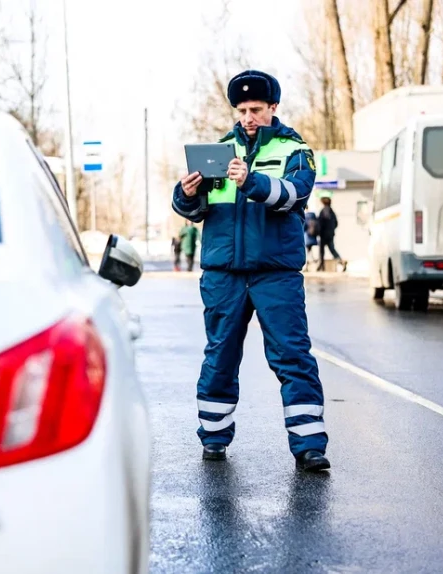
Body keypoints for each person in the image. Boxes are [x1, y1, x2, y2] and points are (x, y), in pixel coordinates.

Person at [171, 69, 330, 472]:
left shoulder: (296, 150)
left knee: (292, 356)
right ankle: (213, 438)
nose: (247, 117)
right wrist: (186, 193)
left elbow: (295, 194)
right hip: (223, 274)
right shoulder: (219, 151)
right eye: (241, 110)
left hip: (276, 273)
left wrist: (252, 180)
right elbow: (195, 211)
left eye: (255, 109)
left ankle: (309, 445)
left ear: (272, 107)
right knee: (219, 356)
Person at [316, 192, 347, 272]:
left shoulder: (322, 212)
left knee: (321, 252)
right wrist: (331, 230)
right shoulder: (332, 212)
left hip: (323, 235)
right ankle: (341, 261)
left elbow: (320, 224)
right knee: (332, 250)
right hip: (330, 234)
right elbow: (336, 223)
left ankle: (321, 267)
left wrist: (319, 232)